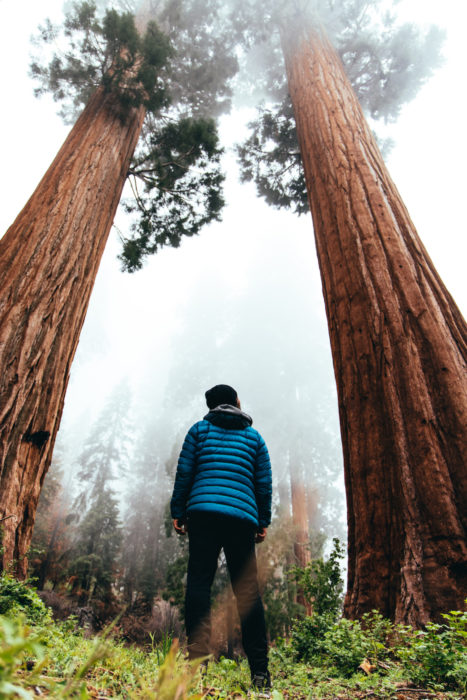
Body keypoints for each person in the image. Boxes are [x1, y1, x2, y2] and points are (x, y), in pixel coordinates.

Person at [170, 384, 272, 694]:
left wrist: (179, 510)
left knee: (199, 583)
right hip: (242, 519)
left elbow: (185, 472)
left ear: (211, 406)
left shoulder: (199, 431)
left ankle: (197, 660)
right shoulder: (254, 438)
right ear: (236, 402)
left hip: (202, 514)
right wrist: (262, 521)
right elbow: (264, 483)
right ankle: (259, 672)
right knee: (247, 592)